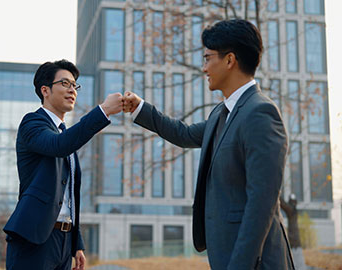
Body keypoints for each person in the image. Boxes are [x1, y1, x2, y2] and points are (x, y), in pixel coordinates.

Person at [123, 19, 294, 270]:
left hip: (256, 262)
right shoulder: (221, 114)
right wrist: (140, 108)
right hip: (226, 256)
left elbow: (261, 204)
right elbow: (184, 134)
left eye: (207, 58)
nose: (204, 68)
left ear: (229, 60)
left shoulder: (260, 113)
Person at [4, 59, 123, 270]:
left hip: (63, 243)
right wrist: (103, 111)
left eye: (74, 85)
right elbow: (58, 146)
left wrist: (76, 244)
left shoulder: (64, 134)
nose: (72, 90)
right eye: (65, 84)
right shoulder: (32, 124)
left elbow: (67, 197)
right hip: (35, 240)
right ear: (45, 90)